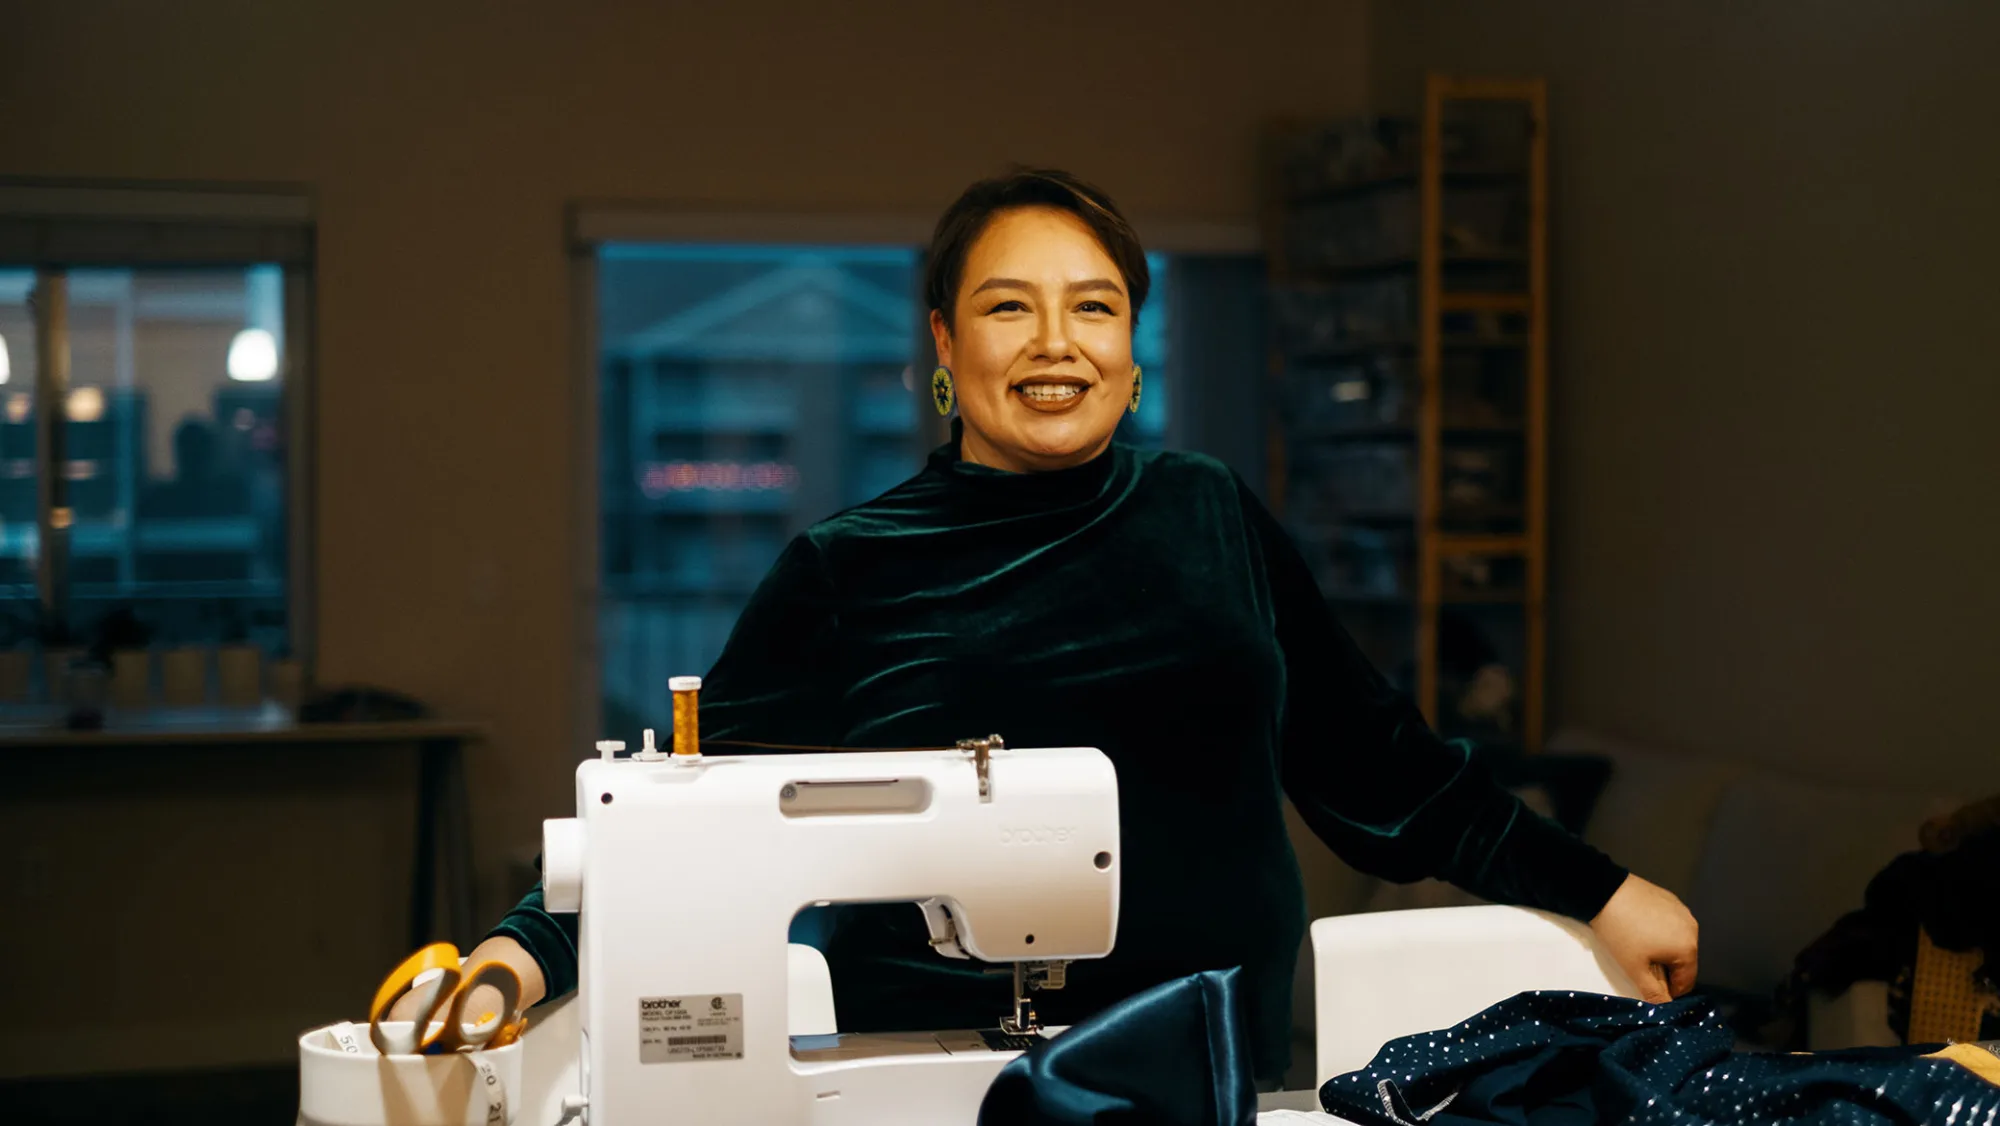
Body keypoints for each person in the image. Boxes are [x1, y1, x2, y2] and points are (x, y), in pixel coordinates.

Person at [447, 168, 1699, 1087]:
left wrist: (1600, 888)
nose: (1055, 345)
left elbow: (1379, 764)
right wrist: (521, 951)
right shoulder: (843, 570)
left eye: (1093, 308)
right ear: (943, 343)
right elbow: (680, 809)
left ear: (1132, 351)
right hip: (934, 1074)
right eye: (1007, 308)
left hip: (1218, 1060)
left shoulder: (1207, 510)